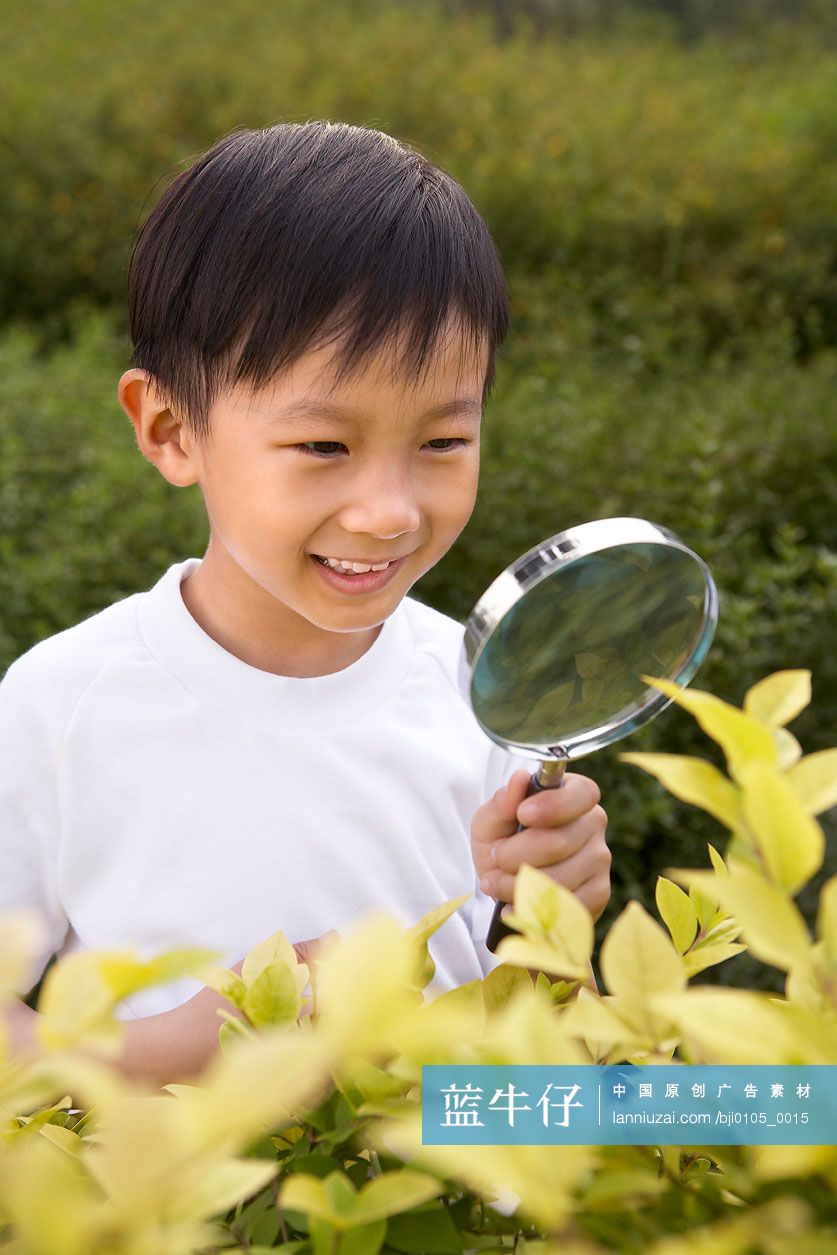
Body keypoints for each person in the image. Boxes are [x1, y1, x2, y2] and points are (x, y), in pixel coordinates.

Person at [0, 121, 610, 1087]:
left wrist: (552, 927)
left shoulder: (485, 693)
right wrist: (182, 1050)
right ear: (169, 429)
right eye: (324, 446)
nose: (388, 510)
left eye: (443, 442)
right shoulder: (63, 705)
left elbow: (515, 1083)